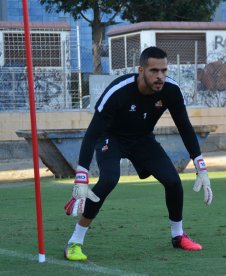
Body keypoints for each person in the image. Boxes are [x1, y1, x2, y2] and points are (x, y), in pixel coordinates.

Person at [63, 46, 213, 261]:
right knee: (108, 180)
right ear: (140, 70)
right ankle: (75, 241)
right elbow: (92, 133)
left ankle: (178, 235)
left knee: (173, 181)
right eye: (154, 71)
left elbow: (185, 127)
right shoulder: (118, 91)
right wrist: (81, 175)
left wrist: (201, 166)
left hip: (142, 139)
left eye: (163, 70)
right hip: (111, 138)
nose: (160, 76)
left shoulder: (171, 90)